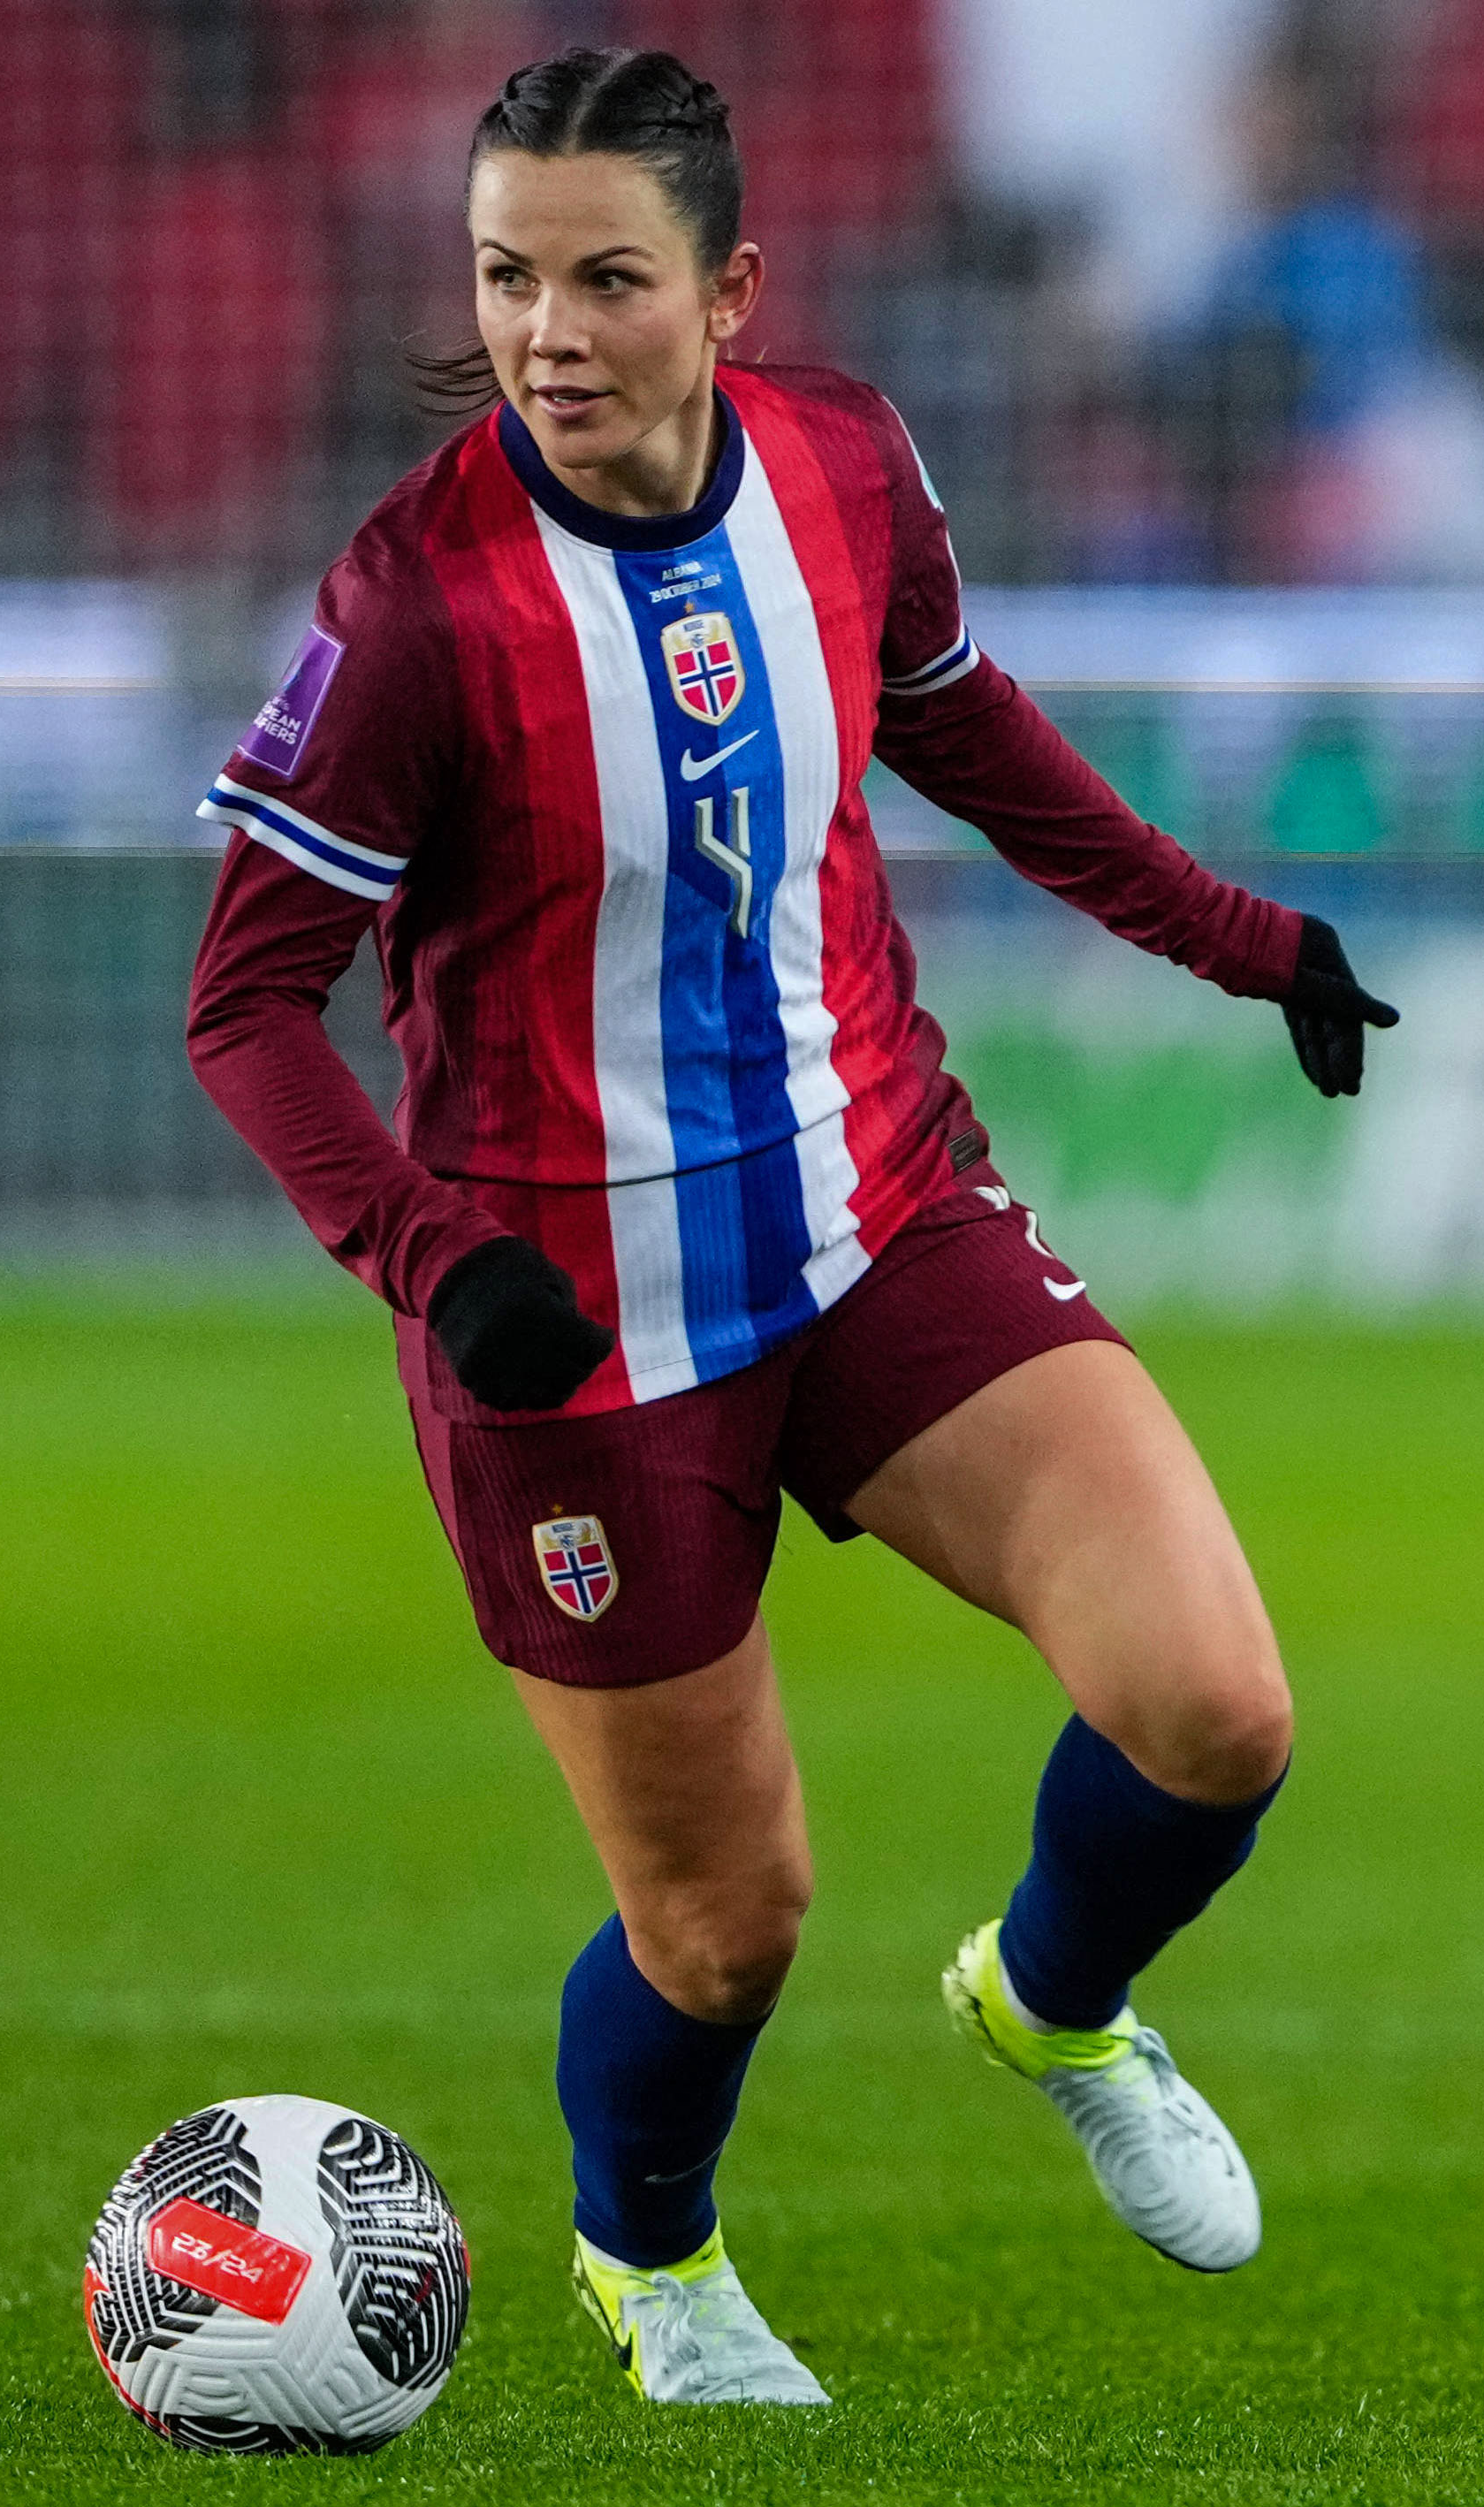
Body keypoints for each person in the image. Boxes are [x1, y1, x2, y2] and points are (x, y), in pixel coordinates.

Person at [183, 45, 1399, 2405]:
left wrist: (1244, 941)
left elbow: (962, 726)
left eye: (602, 278)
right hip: (578, 1341)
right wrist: (437, 1261)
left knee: (1214, 1707)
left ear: (728, 292)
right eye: (504, 276)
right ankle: (655, 2262)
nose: (545, 327)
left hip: (880, 1212)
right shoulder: (417, 606)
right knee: (723, 1926)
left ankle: (1052, 2003)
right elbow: (244, 1007)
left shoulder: (839, 464)